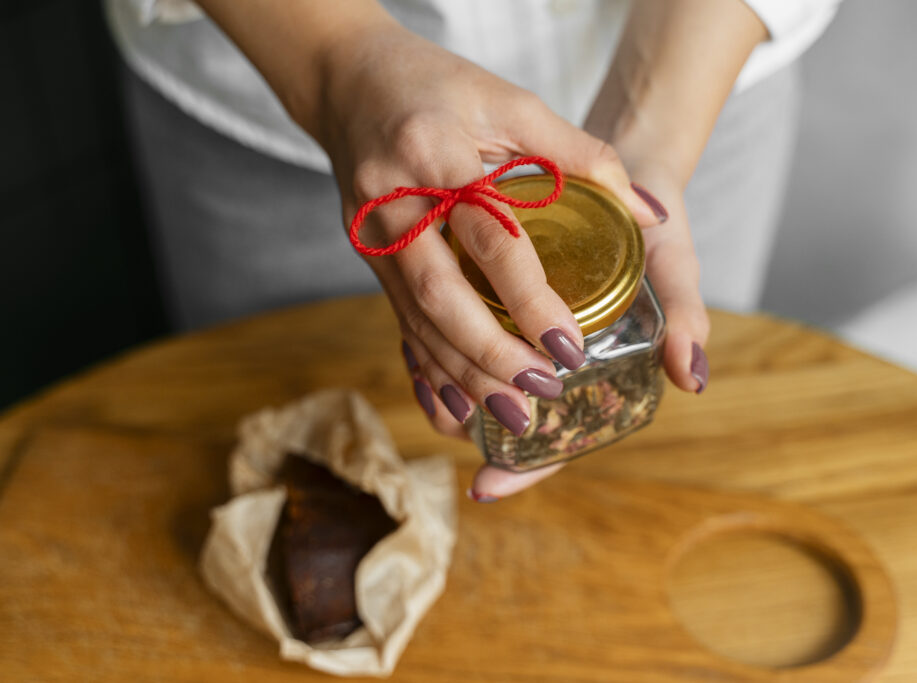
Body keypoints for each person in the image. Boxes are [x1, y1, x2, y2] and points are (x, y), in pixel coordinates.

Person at [105, 0, 840, 500]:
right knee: (280, 455)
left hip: (704, 78)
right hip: (272, 92)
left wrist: (653, 128)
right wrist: (335, 61)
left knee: (675, 476)